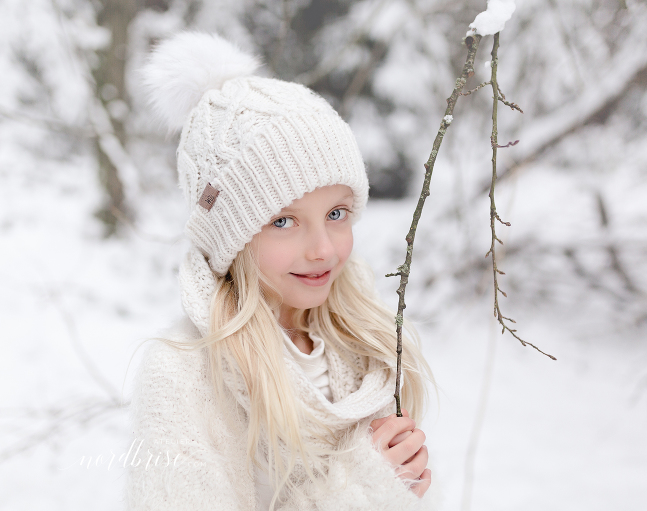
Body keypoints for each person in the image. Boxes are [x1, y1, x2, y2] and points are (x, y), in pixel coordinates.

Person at [125, 32, 435, 511]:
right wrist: (363, 489)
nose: (323, 249)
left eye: (336, 213)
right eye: (283, 221)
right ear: (231, 237)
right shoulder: (185, 375)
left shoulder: (363, 342)